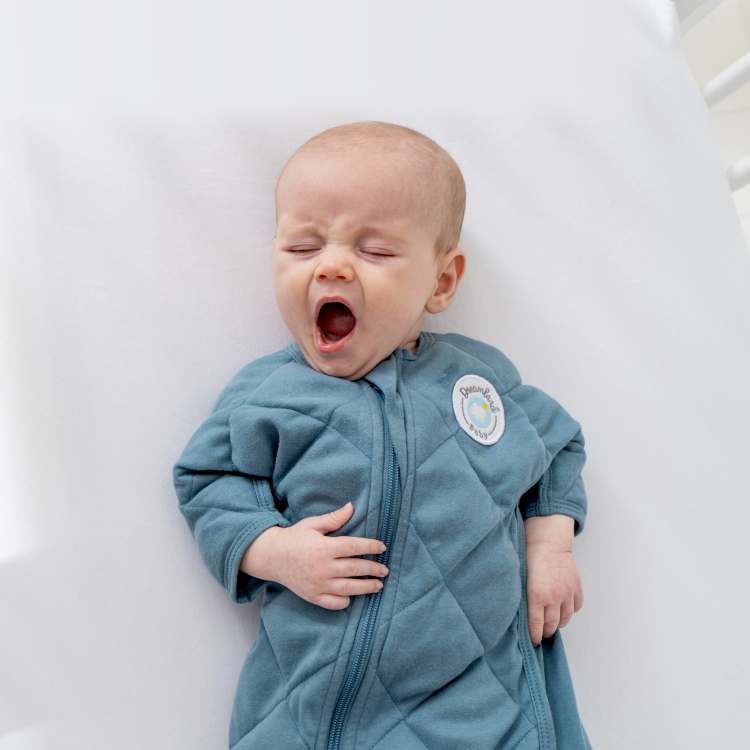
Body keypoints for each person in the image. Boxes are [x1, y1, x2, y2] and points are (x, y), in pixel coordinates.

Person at [174, 121, 591, 750]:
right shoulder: (268, 394)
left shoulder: (477, 384)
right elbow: (207, 479)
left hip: (479, 699)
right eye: (303, 247)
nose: (332, 265)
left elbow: (556, 449)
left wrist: (550, 547)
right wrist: (274, 551)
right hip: (312, 701)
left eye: (374, 251)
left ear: (441, 281)